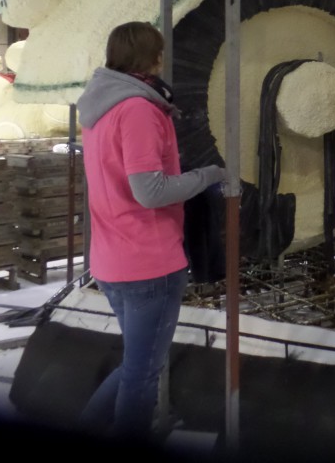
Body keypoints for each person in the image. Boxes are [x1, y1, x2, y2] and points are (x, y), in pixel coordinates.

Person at [77, 22, 225, 439]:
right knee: (142, 375)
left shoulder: (98, 107)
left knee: (137, 366)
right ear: (156, 57)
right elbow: (150, 190)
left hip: (111, 259)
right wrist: (206, 174)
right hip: (148, 263)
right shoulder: (138, 109)